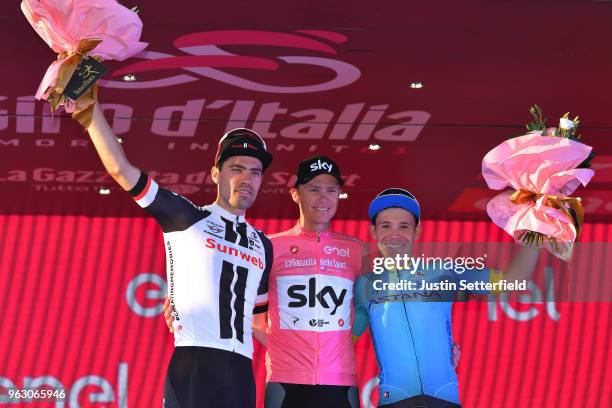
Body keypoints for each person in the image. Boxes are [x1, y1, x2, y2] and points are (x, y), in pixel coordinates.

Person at [86, 102, 274, 408]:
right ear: (216, 173)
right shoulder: (187, 217)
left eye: (255, 172)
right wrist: (90, 112)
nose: (246, 178)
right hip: (195, 362)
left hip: (242, 373)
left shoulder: (264, 246)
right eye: (236, 168)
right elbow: (121, 170)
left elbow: (261, 325)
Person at [165, 156, 365, 407]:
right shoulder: (268, 247)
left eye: (331, 190)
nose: (323, 198)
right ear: (295, 194)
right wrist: (180, 297)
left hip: (341, 382)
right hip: (285, 380)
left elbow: (380, 298)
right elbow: (223, 282)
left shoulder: (358, 251)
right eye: (314, 189)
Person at [353, 188, 541, 408]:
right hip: (393, 401)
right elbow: (340, 349)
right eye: (386, 226)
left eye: (404, 226)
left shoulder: (444, 272)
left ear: (417, 231)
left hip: (444, 401)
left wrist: (536, 233)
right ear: (373, 231)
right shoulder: (363, 285)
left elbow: (511, 279)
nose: (395, 234)